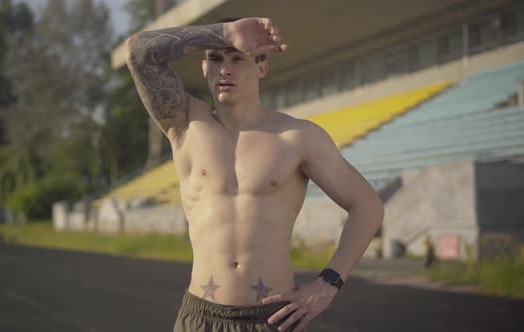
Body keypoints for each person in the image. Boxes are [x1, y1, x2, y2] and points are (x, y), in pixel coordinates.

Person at [125, 17, 384, 332]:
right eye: (215, 58)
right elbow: (138, 53)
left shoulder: (296, 136)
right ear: (204, 68)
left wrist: (327, 285)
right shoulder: (184, 125)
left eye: (237, 58)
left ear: (262, 68)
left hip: (273, 318)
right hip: (201, 318)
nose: (225, 69)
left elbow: (367, 206)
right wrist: (225, 33)